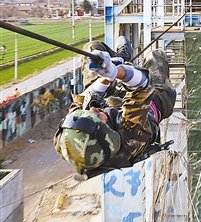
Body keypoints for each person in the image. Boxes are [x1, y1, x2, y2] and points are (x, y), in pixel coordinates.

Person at [54, 36, 176, 179]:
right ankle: (124, 63)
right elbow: (142, 86)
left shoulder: (70, 135)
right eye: (98, 116)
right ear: (108, 131)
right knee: (155, 55)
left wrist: (105, 78)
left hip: (109, 99)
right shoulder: (131, 133)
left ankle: (121, 57)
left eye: (87, 113)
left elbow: (81, 101)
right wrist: (118, 72)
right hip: (153, 101)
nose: (93, 110)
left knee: (93, 49)